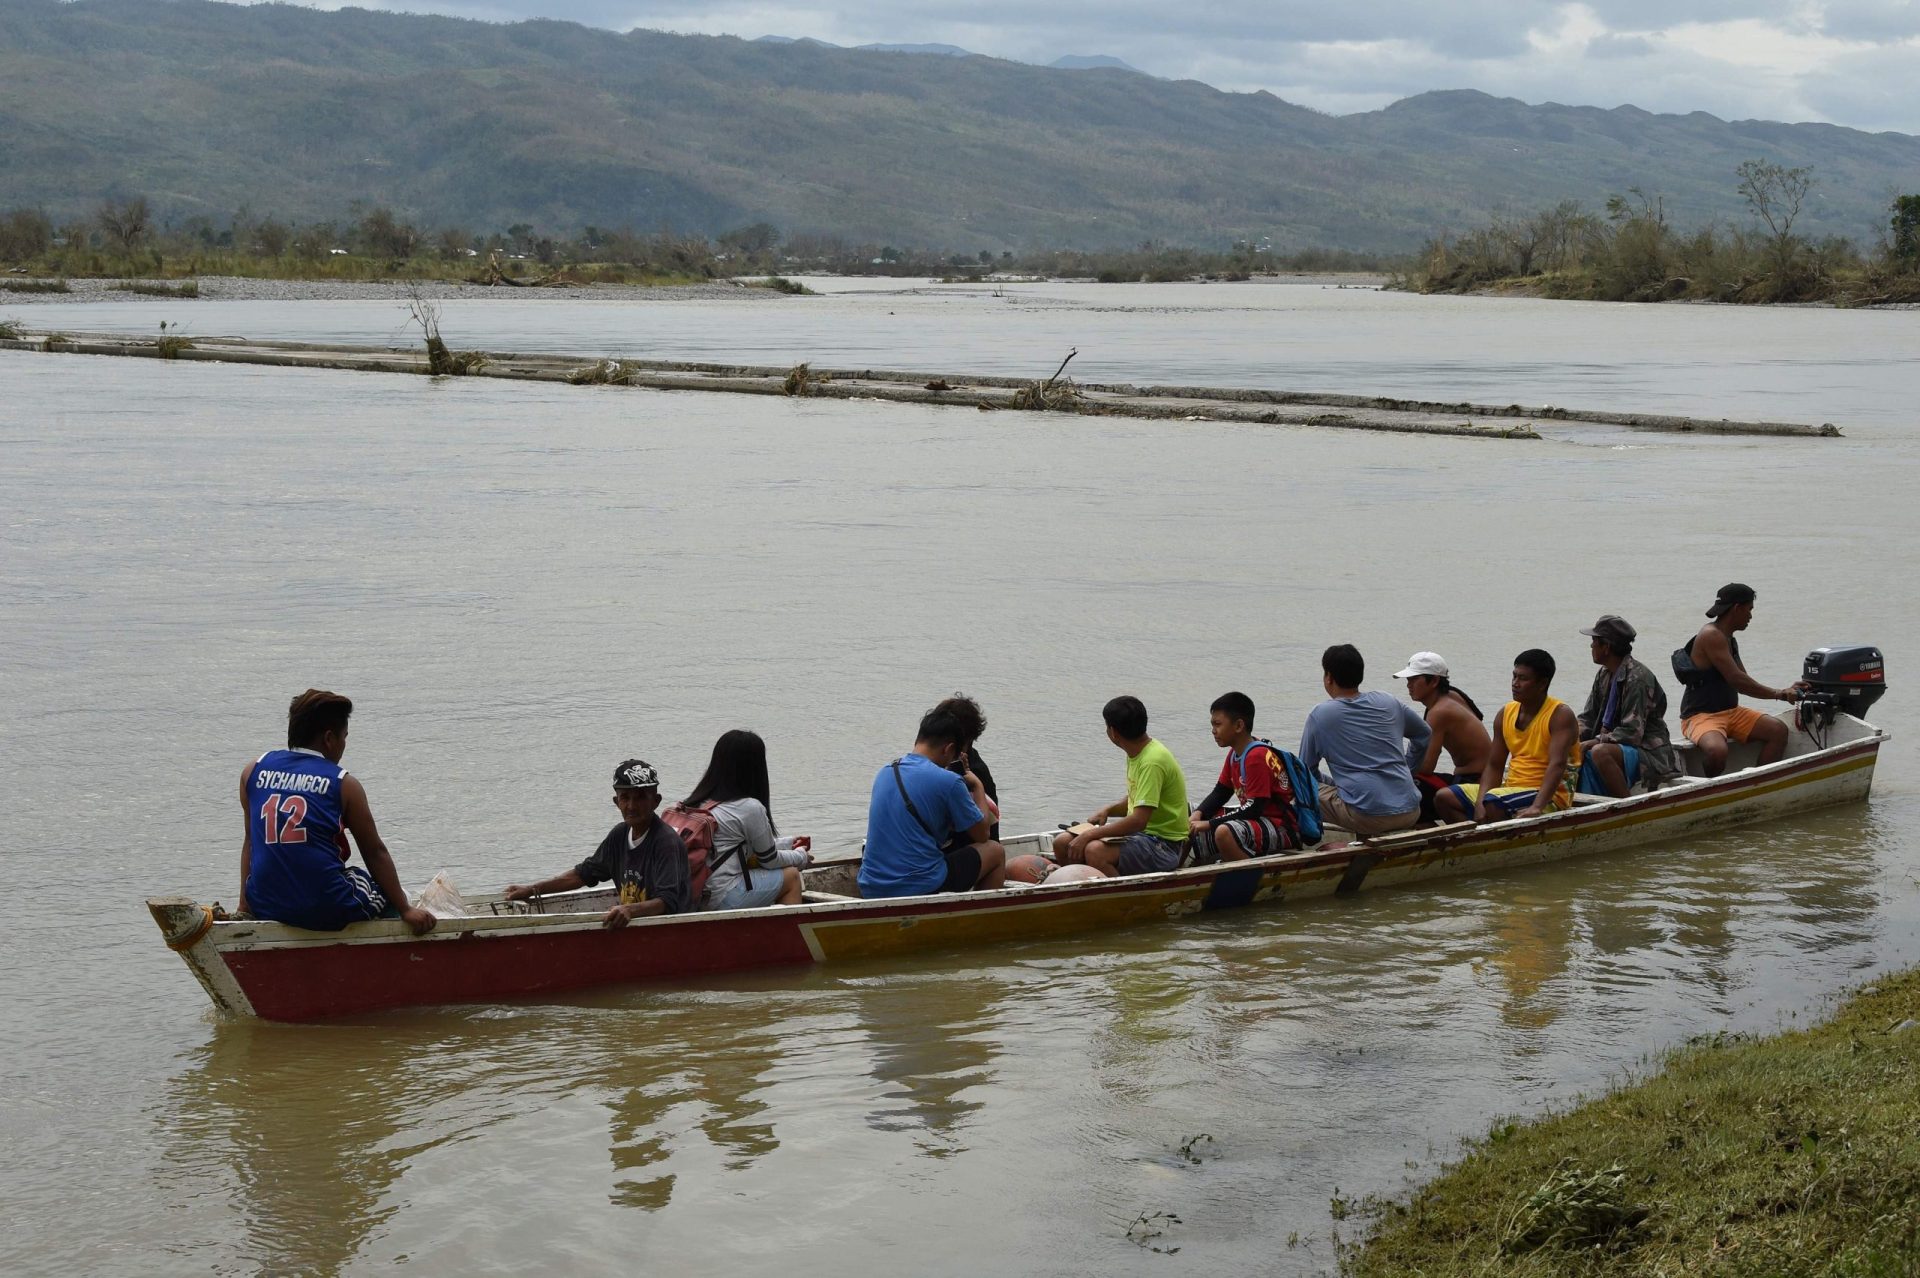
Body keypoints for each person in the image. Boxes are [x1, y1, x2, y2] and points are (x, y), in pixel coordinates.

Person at [238, 689, 436, 935]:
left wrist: (244, 905)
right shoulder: (343, 784)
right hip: (326, 906)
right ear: (330, 739)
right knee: (386, 892)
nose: (344, 745)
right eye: (345, 737)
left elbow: (251, 841)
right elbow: (375, 852)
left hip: (265, 903)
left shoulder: (253, 772)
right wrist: (405, 908)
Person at [505, 759, 691, 925]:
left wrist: (629, 910)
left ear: (656, 801)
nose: (632, 806)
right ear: (616, 802)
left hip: (665, 932)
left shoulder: (666, 843)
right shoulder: (619, 835)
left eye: (641, 797)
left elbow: (667, 901)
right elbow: (582, 875)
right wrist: (531, 889)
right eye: (625, 798)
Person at [860, 696, 1006, 898]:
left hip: (870, 885)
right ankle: (982, 918)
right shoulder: (950, 781)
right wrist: (978, 786)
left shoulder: (884, 772)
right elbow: (983, 835)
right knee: (996, 851)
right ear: (949, 749)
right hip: (919, 884)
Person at [1297, 645, 1430, 837]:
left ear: (1329, 678)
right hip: (1411, 809)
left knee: (1297, 789)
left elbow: (1305, 773)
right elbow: (1423, 734)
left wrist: (1334, 784)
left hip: (1367, 817)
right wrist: (1408, 770)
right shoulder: (1388, 701)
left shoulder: (1320, 715)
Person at [1055, 695, 1193, 875]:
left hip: (1163, 844)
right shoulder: (1138, 752)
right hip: (1141, 838)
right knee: (1062, 842)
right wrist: (1109, 810)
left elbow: (1139, 820)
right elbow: (1141, 798)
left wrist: (1089, 834)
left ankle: (1122, 900)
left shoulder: (1152, 761)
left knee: (1095, 851)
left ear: (1113, 732)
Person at [1676, 583, 1805, 776]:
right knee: (1717, 752)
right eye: (1749, 609)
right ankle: (1711, 792)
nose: (1751, 616)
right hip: (1701, 716)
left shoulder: (1728, 638)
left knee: (1777, 731)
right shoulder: (1711, 635)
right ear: (1737, 608)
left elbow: (1744, 679)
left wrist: (1787, 689)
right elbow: (1737, 681)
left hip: (1731, 712)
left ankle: (1759, 783)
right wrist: (1781, 694)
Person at [1445, 650, 1583, 823]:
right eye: (1514, 676)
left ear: (1542, 684)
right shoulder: (1505, 713)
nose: (1515, 684)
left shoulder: (1560, 715)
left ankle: (1499, 844)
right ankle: (1479, 842)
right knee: (1445, 797)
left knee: (1494, 802)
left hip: (1549, 795)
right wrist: (1480, 802)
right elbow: (1495, 765)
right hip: (1509, 790)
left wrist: (1537, 807)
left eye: (1523, 679)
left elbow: (1558, 764)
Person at [681, 730, 812, 910]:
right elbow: (769, 860)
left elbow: (742, 847)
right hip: (721, 896)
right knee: (791, 877)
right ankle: (785, 937)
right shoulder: (749, 807)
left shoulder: (697, 802)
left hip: (693, 895)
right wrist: (800, 857)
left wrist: (788, 843)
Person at [1574, 615, 1680, 796]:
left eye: (1594, 641)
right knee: (1563, 744)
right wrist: (1571, 734)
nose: (1591, 646)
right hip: (1616, 744)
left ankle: (1625, 805)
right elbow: (1589, 716)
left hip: (1648, 751)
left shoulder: (1638, 678)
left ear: (1606, 647)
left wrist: (1593, 741)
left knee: (1599, 752)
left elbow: (1632, 733)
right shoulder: (1604, 674)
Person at [1190, 691, 1300, 861]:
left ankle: (1247, 877)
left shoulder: (1256, 757)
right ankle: (1177, 868)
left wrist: (1209, 824)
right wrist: (1199, 813)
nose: (1213, 731)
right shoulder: (1235, 754)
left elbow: (1254, 807)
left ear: (1239, 726)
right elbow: (1221, 792)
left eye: (1218, 724)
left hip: (1281, 827)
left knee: (1224, 832)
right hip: (1256, 819)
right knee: (1186, 812)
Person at [1393, 651, 1492, 822]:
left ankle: (1428, 833)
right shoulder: (1452, 694)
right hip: (1481, 775)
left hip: (1473, 781)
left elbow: (1425, 768)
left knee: (1407, 785)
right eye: (1408, 680)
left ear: (1434, 681)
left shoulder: (1439, 712)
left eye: (1414, 680)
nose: (1409, 685)